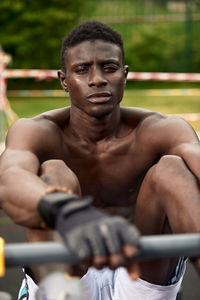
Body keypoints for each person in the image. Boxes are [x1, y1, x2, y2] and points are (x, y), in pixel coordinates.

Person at [0, 21, 199, 300]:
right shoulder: (37, 131)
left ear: (124, 74)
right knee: (54, 172)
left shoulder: (161, 129)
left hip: (142, 268)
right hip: (68, 275)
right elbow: (9, 182)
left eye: (109, 67)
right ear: (64, 80)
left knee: (172, 169)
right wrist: (69, 212)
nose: (97, 79)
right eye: (82, 70)